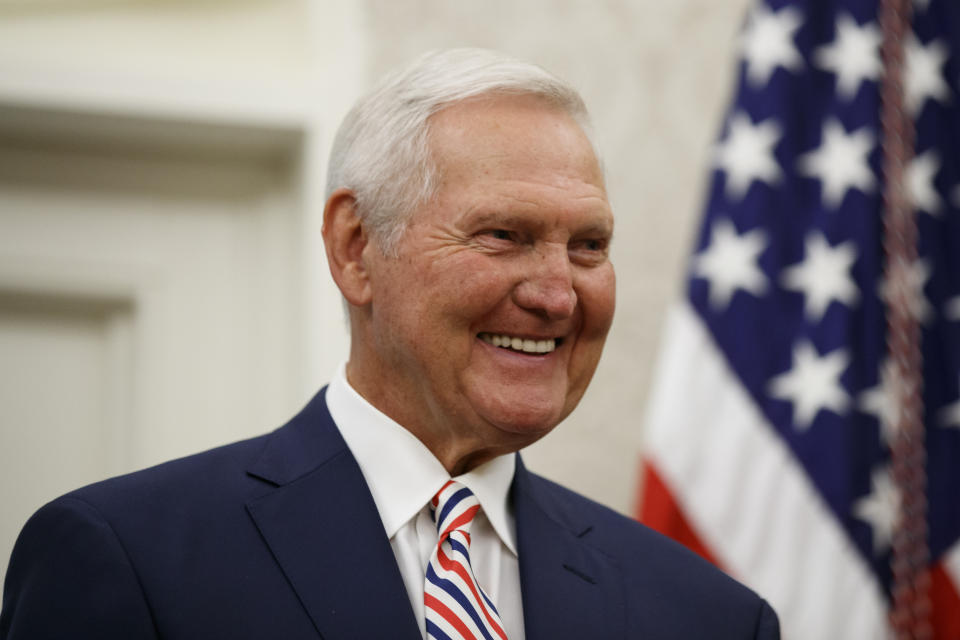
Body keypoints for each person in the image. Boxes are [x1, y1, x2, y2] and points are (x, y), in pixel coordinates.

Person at [0, 49, 779, 639]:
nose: (555, 294)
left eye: (587, 246)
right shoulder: (129, 559)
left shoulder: (705, 616)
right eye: (504, 235)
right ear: (355, 248)